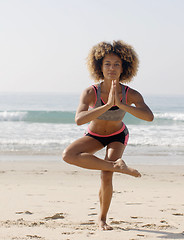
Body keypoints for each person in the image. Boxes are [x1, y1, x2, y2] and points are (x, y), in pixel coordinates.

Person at [62, 40, 154, 230]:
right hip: (94, 134)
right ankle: (117, 166)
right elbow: (79, 120)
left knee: (106, 175)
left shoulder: (130, 94)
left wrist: (121, 104)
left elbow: (149, 116)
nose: (111, 68)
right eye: (107, 64)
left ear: (124, 68)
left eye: (116, 64)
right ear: (99, 67)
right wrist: (105, 105)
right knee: (68, 155)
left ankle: (102, 218)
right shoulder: (90, 92)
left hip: (117, 136)